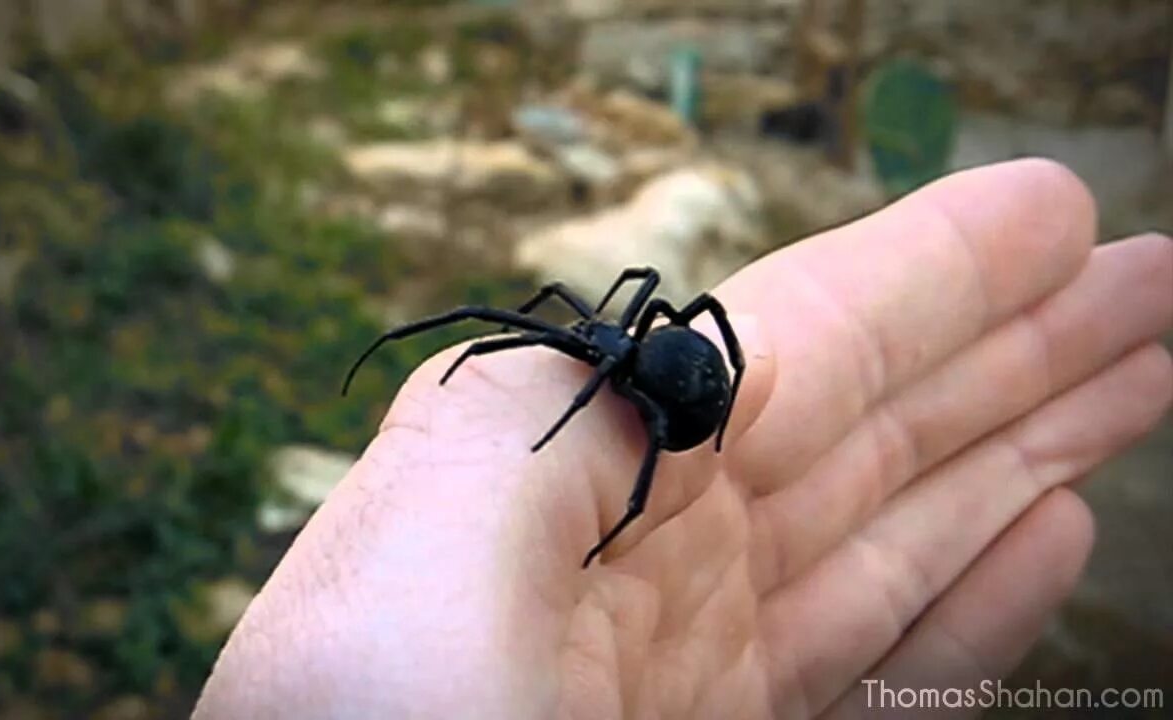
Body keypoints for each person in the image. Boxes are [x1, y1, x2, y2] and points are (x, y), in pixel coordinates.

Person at [193, 159, 1172, 718]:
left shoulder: (622, 368)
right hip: (684, 378)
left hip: (683, 390)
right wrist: (655, 366)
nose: (573, 345)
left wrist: (658, 398)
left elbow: (626, 358)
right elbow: (542, 312)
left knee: (627, 392)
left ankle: (642, 466)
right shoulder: (608, 334)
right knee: (554, 321)